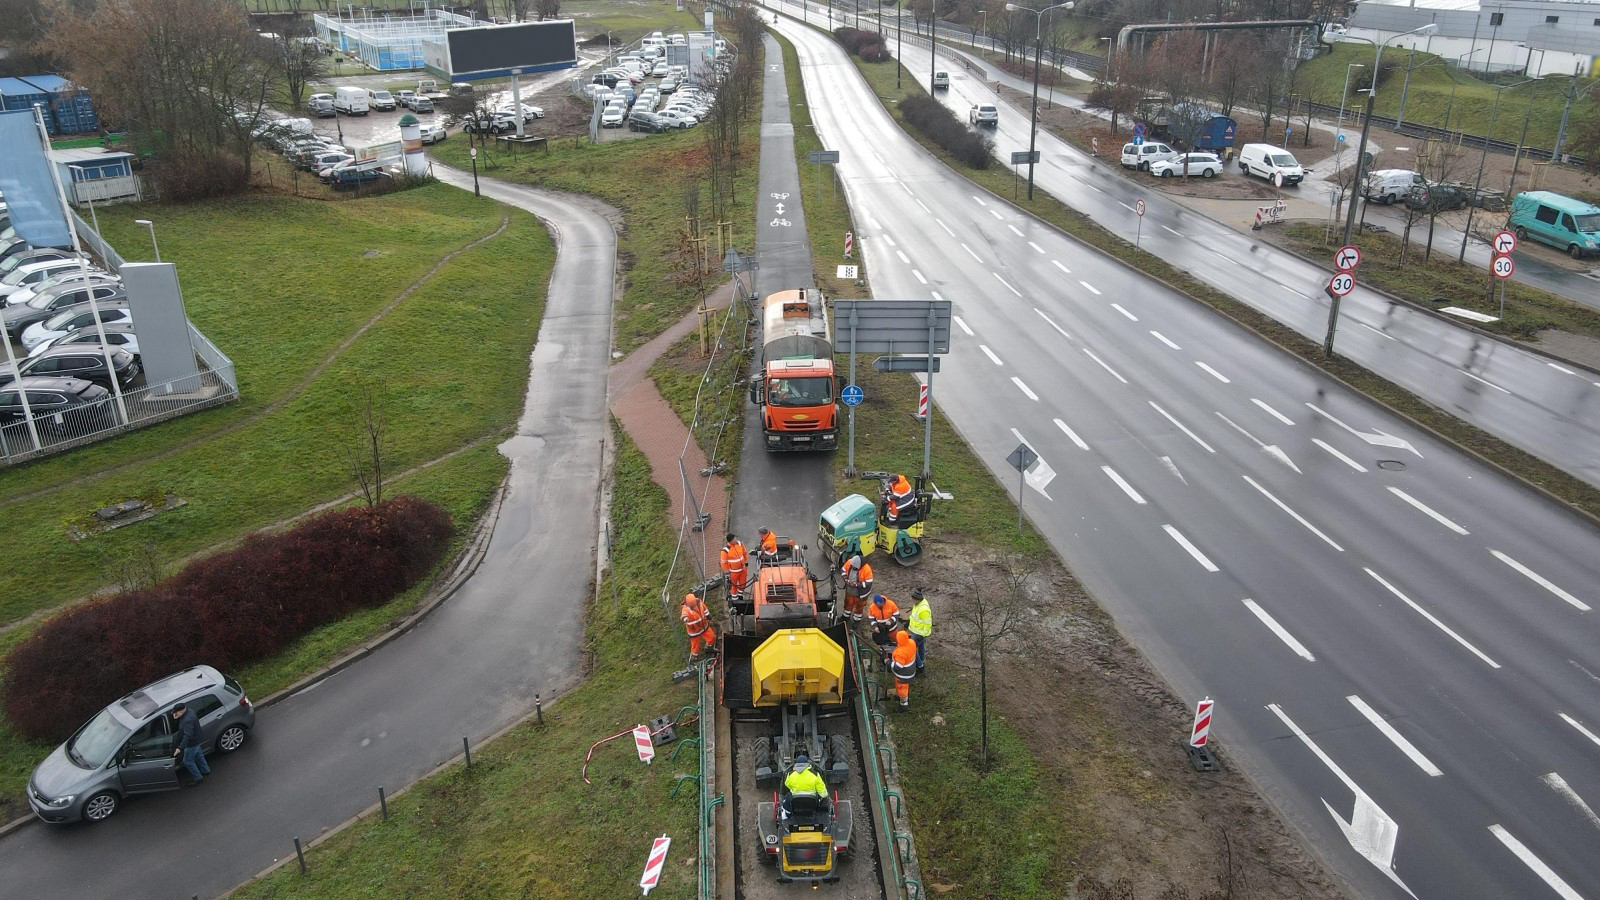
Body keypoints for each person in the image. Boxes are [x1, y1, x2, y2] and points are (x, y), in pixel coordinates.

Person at [170, 703, 210, 784]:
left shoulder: (187, 720)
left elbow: (187, 736)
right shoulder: (190, 711)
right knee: (199, 755)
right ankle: (206, 770)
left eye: (176, 712)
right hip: (197, 739)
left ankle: (198, 778)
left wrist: (179, 748)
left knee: (187, 761)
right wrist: (177, 717)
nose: (174, 714)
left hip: (191, 743)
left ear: (181, 711)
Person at [681, 588, 716, 660]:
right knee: (695, 646)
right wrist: (685, 618)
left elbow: (705, 610)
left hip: (704, 626)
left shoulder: (699, 602)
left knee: (712, 637)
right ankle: (694, 658)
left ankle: (709, 648)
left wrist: (710, 618)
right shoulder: (685, 609)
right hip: (694, 631)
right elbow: (683, 615)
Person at [840, 554, 873, 623]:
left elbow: (868, 583)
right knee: (848, 603)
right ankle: (846, 616)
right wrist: (845, 579)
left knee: (859, 607)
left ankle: (856, 620)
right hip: (850, 590)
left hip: (861, 593)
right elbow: (843, 570)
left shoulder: (867, 569)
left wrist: (857, 585)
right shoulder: (850, 562)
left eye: (854, 567)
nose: (852, 567)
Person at [890, 630, 917, 708]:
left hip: (903, 675)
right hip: (910, 671)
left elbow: (898, 666)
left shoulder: (901, 652)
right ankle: (902, 698)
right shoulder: (911, 642)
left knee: (902, 689)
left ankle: (904, 705)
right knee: (904, 687)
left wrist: (888, 663)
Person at [908, 588, 933, 674]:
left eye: (913, 599)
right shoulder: (919, 604)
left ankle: (919, 666)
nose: (912, 601)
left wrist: (923, 635)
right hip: (917, 631)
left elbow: (927, 623)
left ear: (917, 599)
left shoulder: (923, 609)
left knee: (912, 649)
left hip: (919, 633)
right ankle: (921, 662)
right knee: (921, 648)